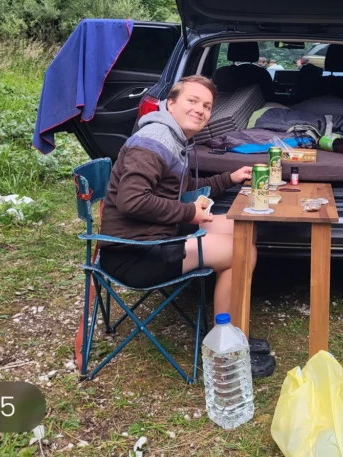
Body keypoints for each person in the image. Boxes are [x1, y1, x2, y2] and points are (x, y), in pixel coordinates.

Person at [98, 75, 275, 376]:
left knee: (244, 229)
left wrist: (228, 178)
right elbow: (131, 201)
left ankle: (233, 332)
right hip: (134, 252)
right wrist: (188, 213)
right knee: (241, 252)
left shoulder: (174, 139)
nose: (200, 110)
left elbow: (180, 186)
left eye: (206, 106)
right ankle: (227, 352)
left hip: (156, 235)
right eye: (192, 101)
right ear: (170, 104)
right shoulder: (154, 140)